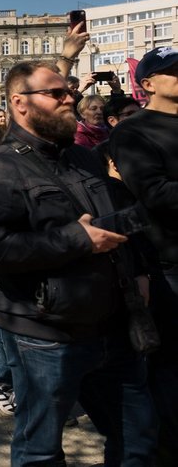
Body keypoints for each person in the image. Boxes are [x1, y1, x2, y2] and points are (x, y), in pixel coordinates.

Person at [0, 60, 156, 465]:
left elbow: (119, 218)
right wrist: (74, 239)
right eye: (57, 93)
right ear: (20, 103)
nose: (71, 98)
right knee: (41, 450)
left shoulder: (83, 159)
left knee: (138, 439)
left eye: (70, 90)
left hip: (115, 325)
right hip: (44, 335)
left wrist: (138, 270)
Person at [110, 45, 178, 463]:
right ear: (148, 84)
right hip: (169, 267)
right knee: (169, 371)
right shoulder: (132, 133)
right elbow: (153, 195)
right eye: (172, 71)